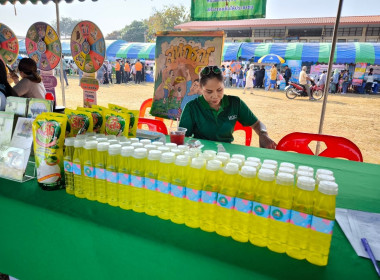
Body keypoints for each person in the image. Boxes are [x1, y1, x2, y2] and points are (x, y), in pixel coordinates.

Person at [179, 65, 276, 148]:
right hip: (201, 153)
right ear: (200, 88)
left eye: (219, 90)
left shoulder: (235, 103)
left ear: (224, 84)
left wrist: (263, 134)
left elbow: (256, 124)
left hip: (225, 153)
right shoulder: (192, 107)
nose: (215, 96)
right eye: (209, 92)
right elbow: (182, 137)